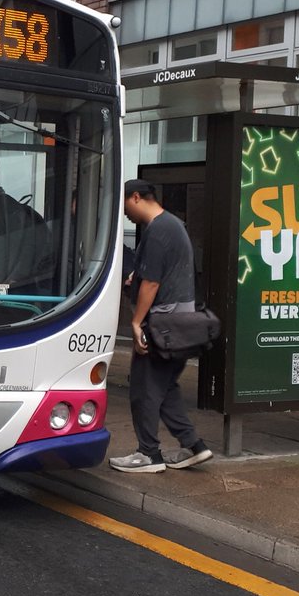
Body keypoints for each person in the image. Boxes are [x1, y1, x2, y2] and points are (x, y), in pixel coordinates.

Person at [110, 179, 212, 473]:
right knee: (165, 387)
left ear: (137, 197)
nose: (126, 214)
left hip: (164, 321)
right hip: (181, 320)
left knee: (143, 388)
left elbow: (153, 283)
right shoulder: (173, 226)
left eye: (126, 205)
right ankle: (194, 446)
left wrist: (136, 322)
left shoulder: (158, 231)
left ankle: (148, 454)